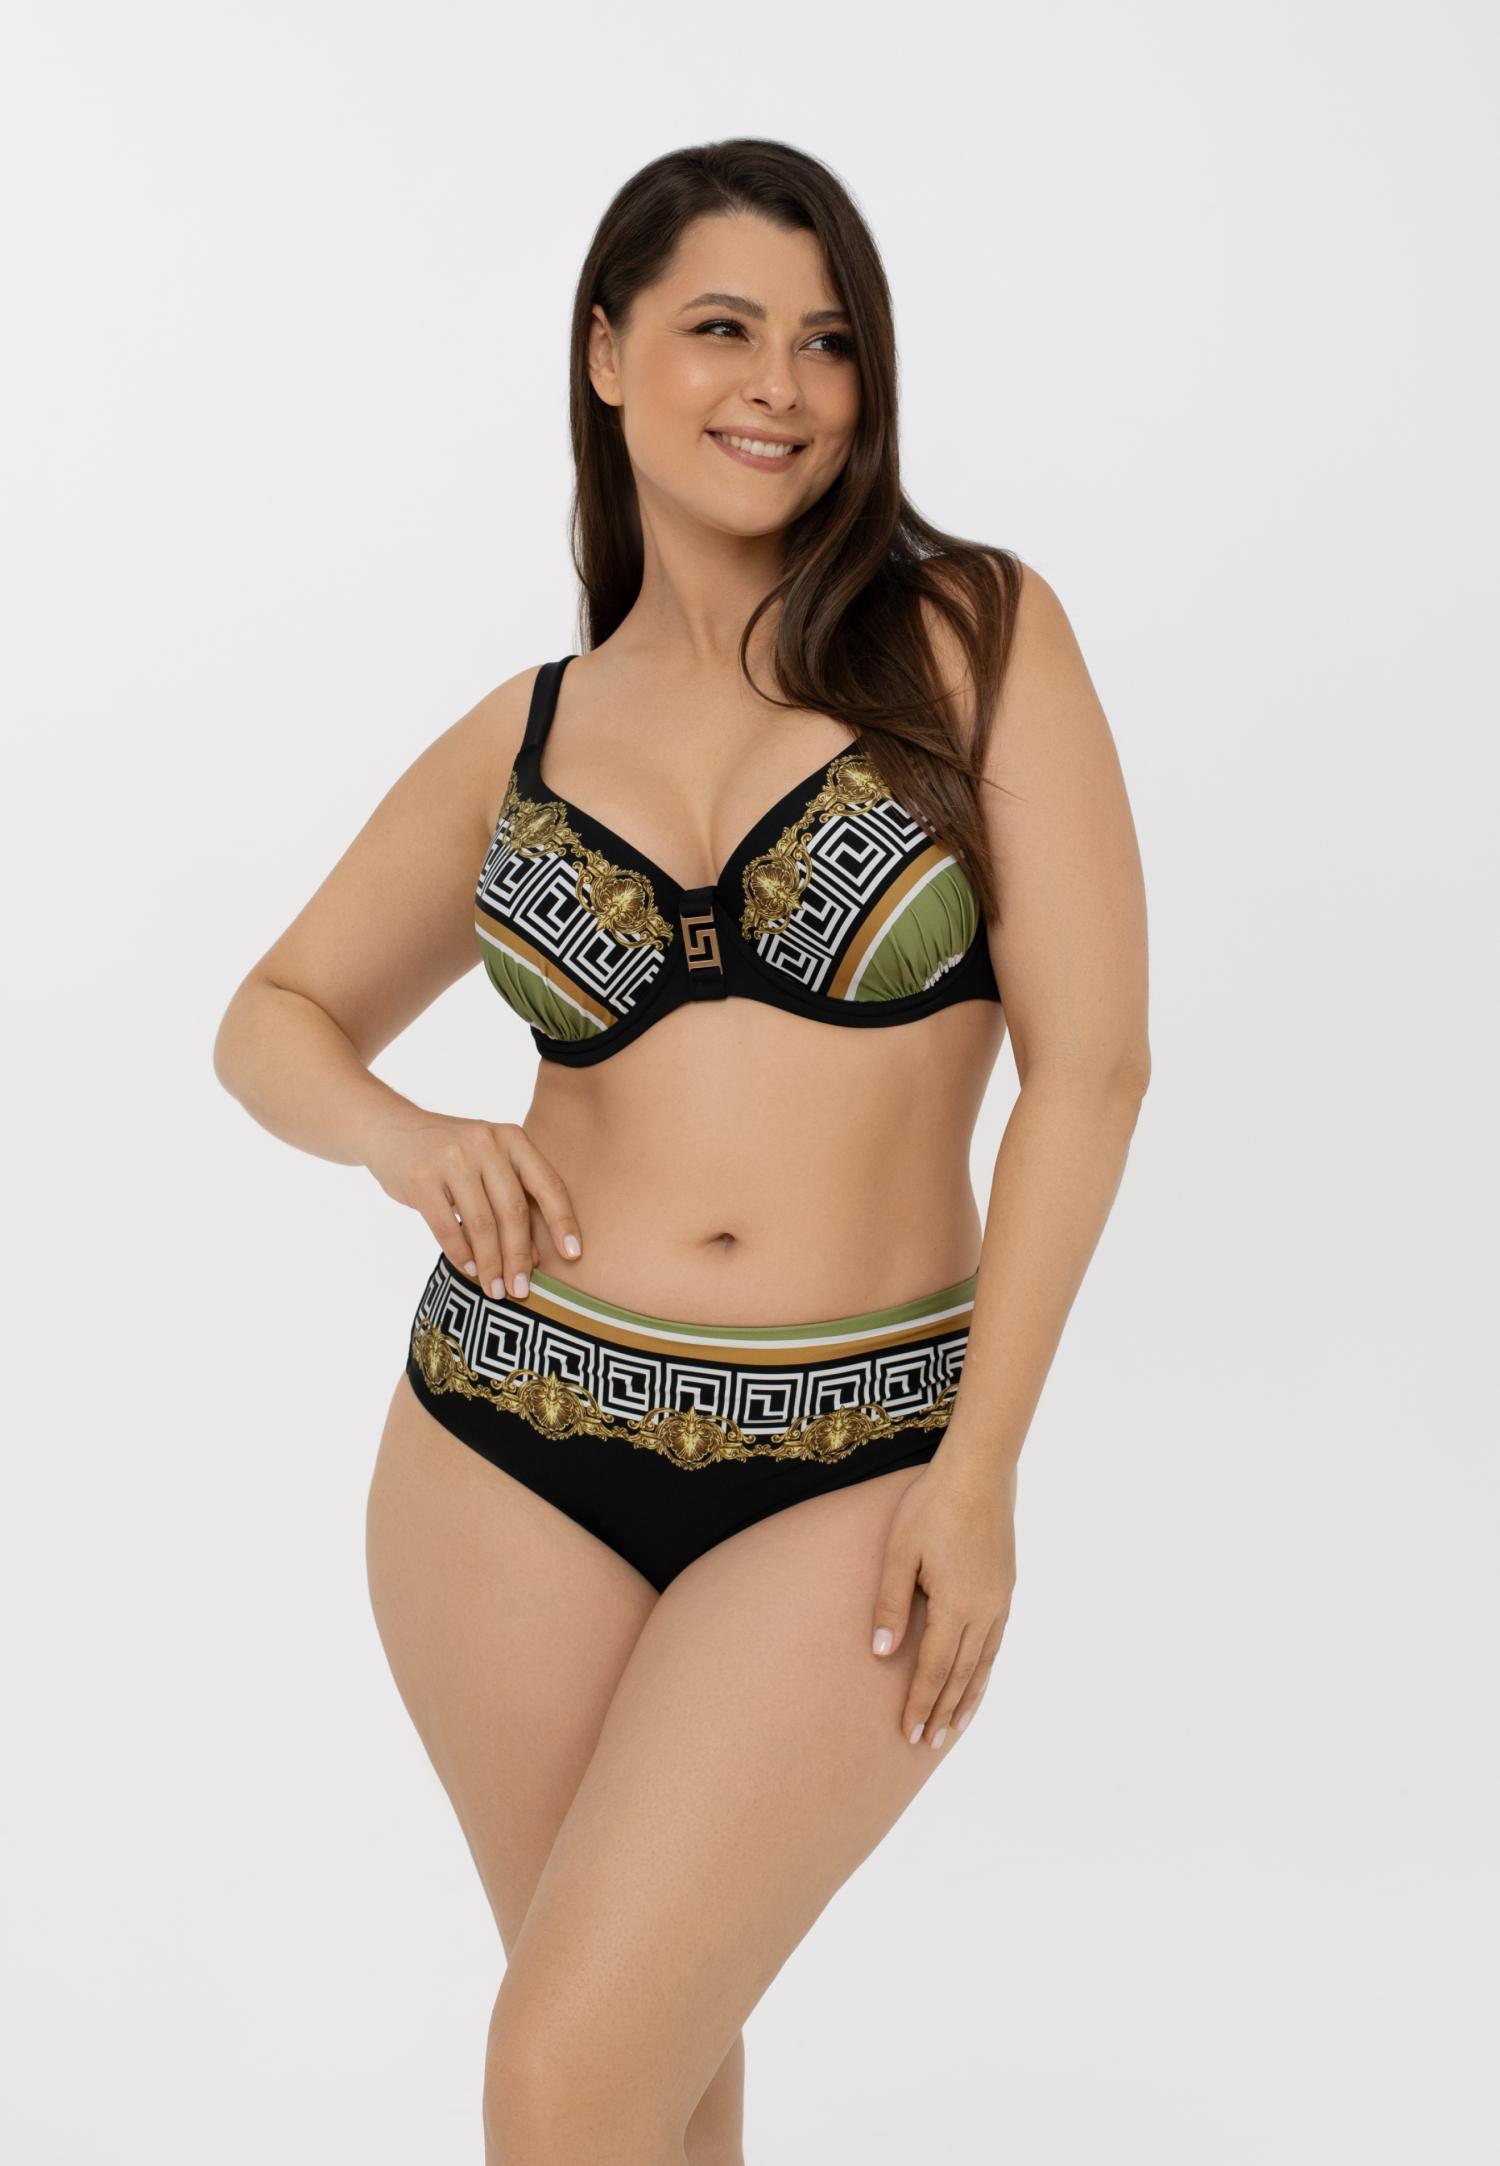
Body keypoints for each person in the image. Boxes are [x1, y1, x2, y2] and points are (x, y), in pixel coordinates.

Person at [213, 136, 1150, 2166]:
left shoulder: (973, 637)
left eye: (828, 341)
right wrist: (403, 1138)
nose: (780, 386)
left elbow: (1090, 1075)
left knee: (566, 2078)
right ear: (608, 353)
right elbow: (269, 1019)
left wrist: (982, 1470)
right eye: (725, 327)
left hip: (860, 1456)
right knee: (639, 2084)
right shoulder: (525, 734)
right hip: (504, 1451)